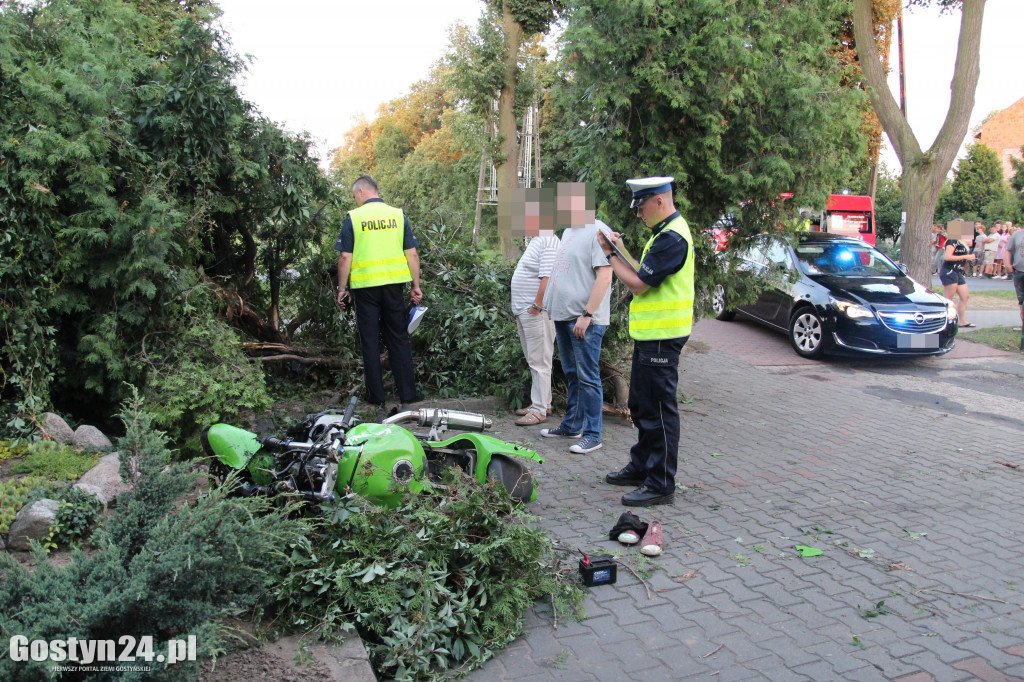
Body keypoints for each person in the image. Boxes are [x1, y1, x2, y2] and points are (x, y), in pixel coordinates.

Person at [597, 176, 693, 507]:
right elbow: (645, 271)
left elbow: (638, 284)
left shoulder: (672, 239)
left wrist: (609, 256)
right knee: (640, 404)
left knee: (659, 412)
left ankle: (661, 483)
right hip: (651, 337)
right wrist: (621, 249)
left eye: (641, 206)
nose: (639, 213)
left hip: (663, 339)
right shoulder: (663, 234)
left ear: (660, 202)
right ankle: (642, 466)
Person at [335, 175, 423, 412]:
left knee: (370, 342)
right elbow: (412, 254)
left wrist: (342, 289)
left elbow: (345, 257)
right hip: (394, 287)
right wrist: (415, 285)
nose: (355, 202)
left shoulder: (355, 218)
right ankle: (407, 396)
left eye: (355, 196)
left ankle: (377, 399)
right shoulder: (397, 214)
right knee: (399, 338)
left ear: (362, 191)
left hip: (365, 289)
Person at [540, 182, 613, 454]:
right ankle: (572, 425)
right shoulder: (570, 230)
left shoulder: (599, 231)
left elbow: (605, 276)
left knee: (588, 376)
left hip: (584, 320)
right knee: (573, 373)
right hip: (564, 317)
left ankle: (593, 435)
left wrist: (587, 314)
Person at [510, 188, 560, 426]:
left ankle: (539, 410)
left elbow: (547, 277)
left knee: (540, 360)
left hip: (536, 313)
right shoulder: (538, 240)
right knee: (535, 360)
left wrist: (537, 306)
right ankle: (543, 403)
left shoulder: (548, 240)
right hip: (526, 311)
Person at [940, 231, 976, 329]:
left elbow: (971, 243)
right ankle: (944, 321)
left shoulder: (961, 242)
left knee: (965, 296)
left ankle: (963, 321)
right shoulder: (952, 241)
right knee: (948, 298)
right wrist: (965, 256)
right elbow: (948, 257)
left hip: (958, 271)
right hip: (950, 270)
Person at [1004, 224, 1024, 332]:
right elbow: (1007, 249)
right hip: (1019, 271)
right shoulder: (1017, 234)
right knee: (1021, 300)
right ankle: (1023, 325)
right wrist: (1007, 264)